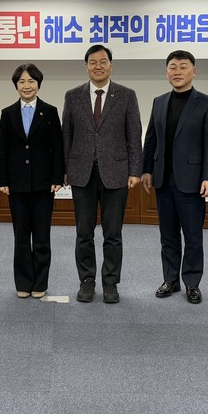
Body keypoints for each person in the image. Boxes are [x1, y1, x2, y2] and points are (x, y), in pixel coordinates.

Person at [63, 44, 142, 304]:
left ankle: (110, 283)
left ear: (111, 65)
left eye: (103, 61)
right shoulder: (73, 96)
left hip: (116, 173)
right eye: (93, 62)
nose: (98, 66)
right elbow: (67, 135)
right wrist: (65, 169)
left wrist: (135, 170)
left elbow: (134, 134)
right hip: (81, 173)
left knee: (113, 234)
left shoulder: (126, 95)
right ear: (86, 66)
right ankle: (86, 281)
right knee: (83, 232)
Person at [141, 50, 208, 304]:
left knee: (193, 236)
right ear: (166, 72)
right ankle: (170, 279)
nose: (177, 71)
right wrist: (147, 169)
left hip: (193, 181)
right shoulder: (159, 101)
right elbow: (151, 139)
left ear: (193, 71)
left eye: (183, 67)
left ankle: (192, 282)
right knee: (168, 235)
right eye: (172, 67)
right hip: (163, 180)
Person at [0, 64, 64, 299]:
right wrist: (2, 180)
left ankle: (40, 283)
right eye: (22, 81)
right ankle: (23, 283)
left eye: (31, 81)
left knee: (42, 237)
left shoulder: (50, 111)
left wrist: (57, 177)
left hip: (44, 184)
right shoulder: (8, 113)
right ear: (16, 85)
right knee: (21, 236)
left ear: (39, 84)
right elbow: (3, 150)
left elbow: (57, 147)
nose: (27, 86)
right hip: (16, 185)